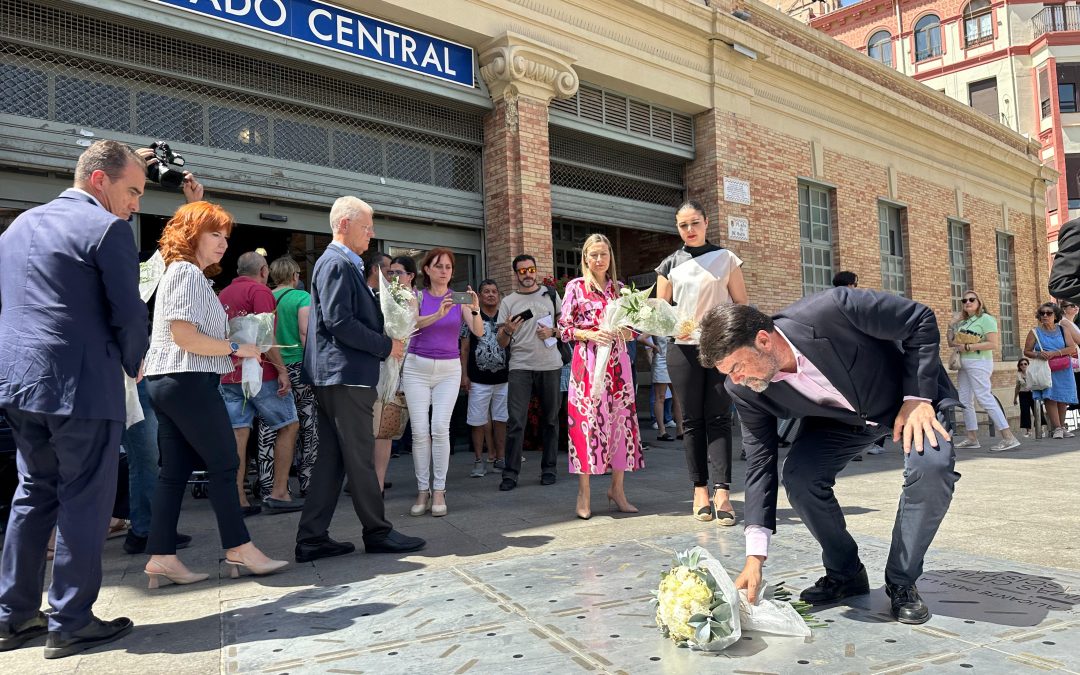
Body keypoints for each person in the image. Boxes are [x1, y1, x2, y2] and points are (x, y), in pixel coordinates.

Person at [697, 291, 960, 625]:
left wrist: (918, 397)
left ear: (763, 340)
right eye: (726, 373)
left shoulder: (834, 309)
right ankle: (846, 572)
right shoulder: (744, 390)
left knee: (933, 466)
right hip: (842, 422)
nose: (734, 380)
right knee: (800, 478)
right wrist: (755, 556)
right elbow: (761, 464)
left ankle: (902, 581)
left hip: (908, 400)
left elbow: (919, 318)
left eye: (735, 367)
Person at [0, 140, 148, 658]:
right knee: (85, 498)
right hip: (81, 384)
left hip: (20, 383)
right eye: (132, 191)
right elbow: (129, 313)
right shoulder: (106, 229)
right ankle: (70, 620)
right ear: (99, 180)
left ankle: (12, 617)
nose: (136, 204)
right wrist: (136, 361)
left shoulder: (17, 226)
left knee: (33, 492)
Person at [142, 202, 288, 590]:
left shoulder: (187, 273)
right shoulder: (187, 273)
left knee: (173, 472)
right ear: (192, 235)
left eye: (225, 235)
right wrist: (235, 348)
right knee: (225, 462)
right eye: (214, 234)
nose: (223, 243)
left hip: (171, 381)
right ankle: (239, 547)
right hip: (186, 379)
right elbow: (184, 336)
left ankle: (162, 557)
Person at [294, 196, 425, 561]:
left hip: (336, 375)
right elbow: (339, 322)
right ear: (343, 225)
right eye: (366, 227)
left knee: (332, 460)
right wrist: (387, 346)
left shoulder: (340, 263)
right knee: (360, 457)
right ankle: (377, 532)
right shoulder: (336, 263)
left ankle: (312, 538)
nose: (372, 234)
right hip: (344, 375)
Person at [121, 150, 204, 556]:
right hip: (124, 374)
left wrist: (191, 209)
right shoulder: (121, 263)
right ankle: (144, 528)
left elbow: (170, 253)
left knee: (148, 453)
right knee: (144, 452)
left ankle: (145, 527)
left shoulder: (145, 271)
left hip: (144, 372)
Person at [655, 200, 748, 524]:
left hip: (720, 349)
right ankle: (699, 489)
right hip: (683, 350)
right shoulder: (669, 265)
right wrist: (669, 323)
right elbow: (658, 312)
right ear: (677, 228)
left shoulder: (725, 259)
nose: (690, 230)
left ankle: (722, 492)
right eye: (683, 225)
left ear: (706, 222)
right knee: (692, 421)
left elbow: (741, 304)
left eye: (695, 223)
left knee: (719, 418)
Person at [558, 234, 643, 520]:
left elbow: (635, 331)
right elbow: (564, 328)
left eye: (603, 254)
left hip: (619, 366)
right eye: (593, 254)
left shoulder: (620, 290)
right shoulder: (575, 287)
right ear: (585, 258)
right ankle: (584, 492)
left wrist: (626, 331)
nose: (598, 259)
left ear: (610, 257)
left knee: (621, 424)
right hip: (588, 365)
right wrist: (591, 333)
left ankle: (617, 490)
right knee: (587, 425)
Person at [218, 252, 301, 514]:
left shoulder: (222, 295)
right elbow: (267, 338)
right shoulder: (260, 292)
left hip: (229, 371)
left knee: (239, 433)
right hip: (261, 372)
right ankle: (279, 492)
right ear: (264, 270)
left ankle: (238, 498)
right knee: (289, 424)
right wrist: (282, 371)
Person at [403, 249, 483, 517]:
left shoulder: (458, 298)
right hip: (416, 368)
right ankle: (422, 490)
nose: (444, 271)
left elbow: (479, 331)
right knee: (419, 431)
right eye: (438, 266)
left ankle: (439, 490)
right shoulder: (416, 296)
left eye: (448, 267)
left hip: (448, 369)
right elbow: (412, 325)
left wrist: (475, 309)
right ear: (427, 270)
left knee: (439, 428)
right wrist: (438, 314)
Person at [496, 255, 565, 491]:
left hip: (550, 364)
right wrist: (507, 329)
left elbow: (565, 329)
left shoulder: (552, 295)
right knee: (516, 421)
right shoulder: (508, 301)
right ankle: (511, 473)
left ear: (536, 271)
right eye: (522, 271)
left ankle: (549, 469)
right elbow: (502, 343)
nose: (527, 274)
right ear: (516, 274)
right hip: (520, 366)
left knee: (551, 420)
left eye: (531, 269)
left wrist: (553, 332)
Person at [267, 256, 318, 497]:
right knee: (307, 424)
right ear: (295, 276)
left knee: (276, 425)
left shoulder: (267, 297)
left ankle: (273, 483)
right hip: (298, 364)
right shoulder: (302, 297)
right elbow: (305, 332)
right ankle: (308, 480)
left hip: (272, 367)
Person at [947, 291, 1021, 452]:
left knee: (984, 397)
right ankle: (972, 437)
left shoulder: (986, 319)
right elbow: (951, 343)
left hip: (979, 362)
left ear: (979, 302)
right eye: (964, 300)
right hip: (964, 364)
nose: (967, 302)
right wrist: (951, 324)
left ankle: (1008, 437)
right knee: (964, 399)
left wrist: (968, 347)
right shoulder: (964, 322)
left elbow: (993, 344)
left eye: (971, 299)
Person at [460, 279, 509, 478]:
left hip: (503, 379)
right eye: (486, 291)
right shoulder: (471, 317)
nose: (490, 295)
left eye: (494, 292)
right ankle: (479, 460)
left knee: (501, 420)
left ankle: (500, 458)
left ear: (498, 296)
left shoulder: (505, 317)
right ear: (479, 296)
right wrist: (464, 375)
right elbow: (464, 348)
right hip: (478, 379)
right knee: (477, 421)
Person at [1023, 302, 1078, 439]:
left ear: (1055, 315)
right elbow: (1027, 351)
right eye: (1042, 313)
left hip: (1064, 369)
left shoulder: (1062, 330)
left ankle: (1061, 427)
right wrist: (1038, 354)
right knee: (1050, 396)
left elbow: (1071, 348)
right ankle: (1057, 428)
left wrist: (1055, 353)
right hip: (1045, 369)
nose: (1045, 316)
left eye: (1049, 313)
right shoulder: (1035, 332)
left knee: (1063, 398)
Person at [364, 251, 394, 492]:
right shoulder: (361, 295)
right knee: (365, 429)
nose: (391, 276)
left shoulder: (392, 297)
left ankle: (378, 483)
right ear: (375, 269)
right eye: (388, 270)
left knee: (383, 427)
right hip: (364, 370)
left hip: (386, 368)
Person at [646, 335, 683, 441]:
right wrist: (653, 346)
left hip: (674, 360)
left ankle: (680, 429)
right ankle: (662, 431)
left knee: (677, 397)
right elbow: (641, 338)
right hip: (660, 361)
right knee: (660, 397)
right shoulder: (656, 323)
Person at [1013, 358, 1039, 438]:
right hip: (1023, 394)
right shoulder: (1018, 374)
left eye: (1025, 364)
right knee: (1025, 412)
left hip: (1033, 393)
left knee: (1037, 410)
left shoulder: (1032, 373)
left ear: (1028, 365)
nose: (1023, 365)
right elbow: (1017, 387)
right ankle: (1028, 431)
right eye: (1021, 364)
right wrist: (1015, 398)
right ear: (1019, 366)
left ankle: (1040, 428)